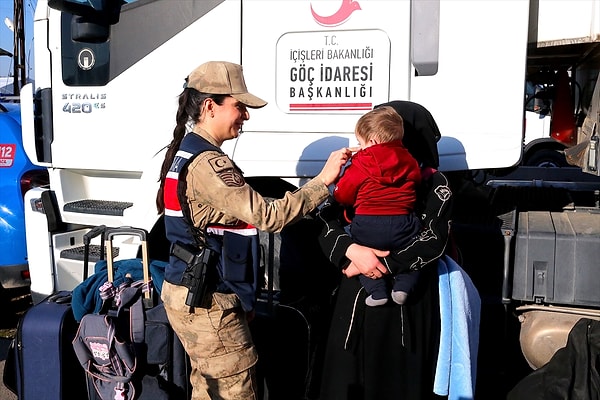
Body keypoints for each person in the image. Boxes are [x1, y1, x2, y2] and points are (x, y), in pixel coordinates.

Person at [154, 60, 351, 400]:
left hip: (191, 292)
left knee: (207, 389)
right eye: (239, 106)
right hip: (208, 300)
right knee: (235, 391)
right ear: (209, 107)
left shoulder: (186, 151)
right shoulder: (210, 164)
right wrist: (322, 182)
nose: (245, 115)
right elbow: (269, 216)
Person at [315, 100, 454, 400]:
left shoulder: (431, 181)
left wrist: (381, 265)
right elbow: (326, 218)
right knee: (350, 381)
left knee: (398, 382)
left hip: (404, 306)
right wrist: (351, 251)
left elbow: (434, 237)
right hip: (359, 299)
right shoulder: (358, 169)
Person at [333, 105, 422, 306]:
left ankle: (376, 290)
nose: (359, 147)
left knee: (361, 255)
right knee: (413, 255)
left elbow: (345, 193)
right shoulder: (410, 159)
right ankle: (403, 286)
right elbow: (416, 182)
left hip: (367, 225)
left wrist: (337, 190)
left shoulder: (362, 161)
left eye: (360, 142)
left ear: (371, 141)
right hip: (402, 222)